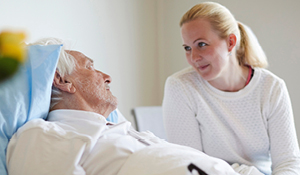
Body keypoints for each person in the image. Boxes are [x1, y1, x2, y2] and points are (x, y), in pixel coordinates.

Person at [5, 38, 250, 175]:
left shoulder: (128, 132)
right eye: (90, 67)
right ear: (62, 80)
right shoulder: (42, 135)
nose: (107, 76)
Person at [162, 2, 300, 175]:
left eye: (201, 44)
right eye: (187, 48)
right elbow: (191, 163)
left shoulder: (271, 88)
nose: (194, 57)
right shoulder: (181, 87)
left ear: (230, 42)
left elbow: (288, 162)